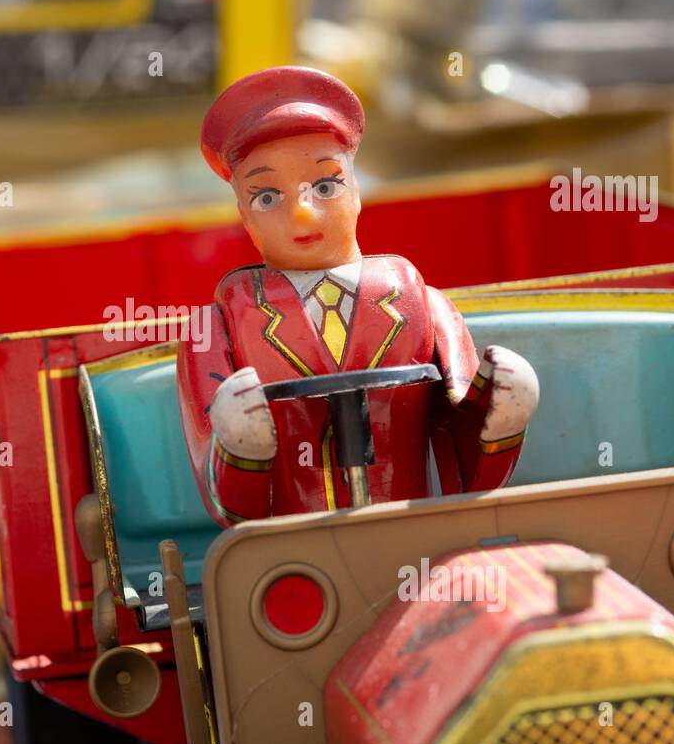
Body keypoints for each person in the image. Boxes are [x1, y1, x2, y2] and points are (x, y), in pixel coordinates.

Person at [177, 66, 538, 526]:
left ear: (357, 191)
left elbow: (464, 445)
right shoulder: (216, 329)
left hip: (413, 537)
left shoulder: (419, 303)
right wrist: (238, 443)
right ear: (244, 216)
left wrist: (501, 407)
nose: (304, 216)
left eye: (326, 186)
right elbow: (220, 487)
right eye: (267, 197)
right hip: (287, 559)